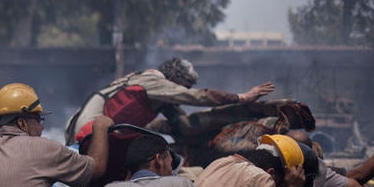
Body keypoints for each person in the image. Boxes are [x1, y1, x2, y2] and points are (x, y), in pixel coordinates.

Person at [65, 57, 275, 143]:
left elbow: (183, 124)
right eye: (183, 86)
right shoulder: (154, 82)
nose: (182, 92)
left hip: (84, 128)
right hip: (88, 132)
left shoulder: (147, 85)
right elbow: (198, 97)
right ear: (174, 79)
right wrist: (241, 98)